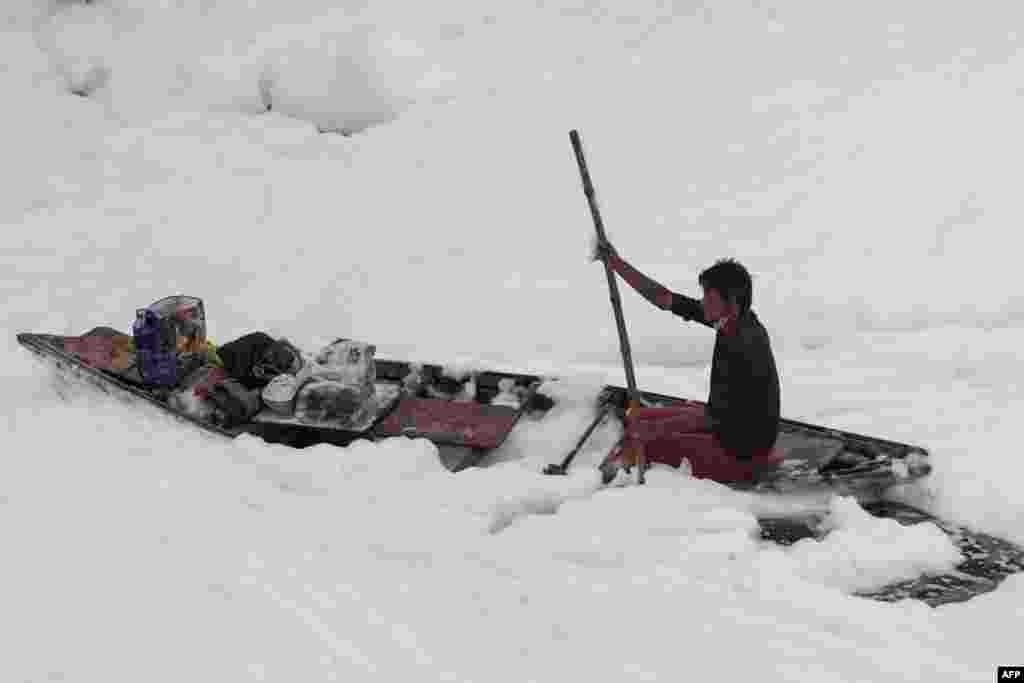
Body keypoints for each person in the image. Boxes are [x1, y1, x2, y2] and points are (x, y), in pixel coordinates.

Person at [594, 239, 782, 484]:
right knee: (638, 419)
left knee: (645, 437)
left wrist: (663, 429)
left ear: (732, 301)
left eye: (709, 296)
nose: (702, 302)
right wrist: (617, 264)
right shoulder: (731, 321)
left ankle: (605, 481)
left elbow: (727, 421)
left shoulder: (745, 344)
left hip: (740, 452)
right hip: (724, 424)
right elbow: (665, 299)